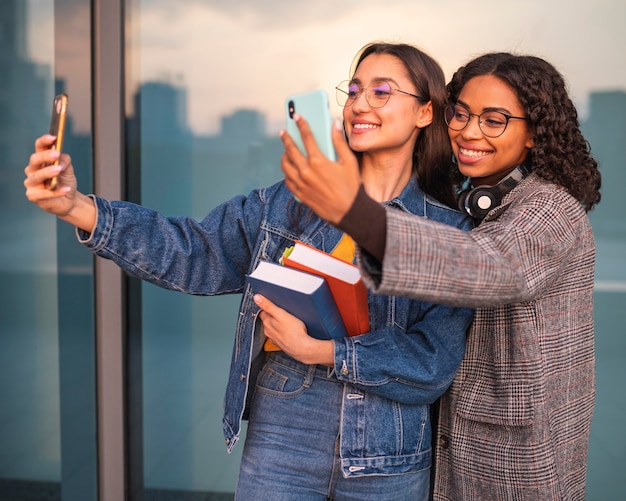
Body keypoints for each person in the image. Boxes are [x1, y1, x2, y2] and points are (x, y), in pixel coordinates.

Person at [24, 42, 474, 501]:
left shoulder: (449, 230)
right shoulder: (290, 202)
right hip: (285, 433)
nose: (359, 104)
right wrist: (79, 208)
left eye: (381, 92)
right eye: (354, 89)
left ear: (424, 113)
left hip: (390, 447)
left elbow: (432, 363)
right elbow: (194, 253)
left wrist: (323, 350)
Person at [280, 52, 600, 500]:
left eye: (494, 120)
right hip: (460, 451)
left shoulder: (551, 208)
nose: (469, 131)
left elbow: (490, 266)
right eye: (462, 114)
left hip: (515, 465)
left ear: (533, 133)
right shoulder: (483, 204)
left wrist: (355, 212)